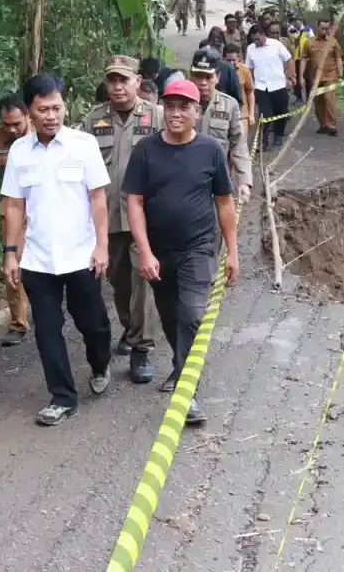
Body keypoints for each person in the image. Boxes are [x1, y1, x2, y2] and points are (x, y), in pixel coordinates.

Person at [123, 78, 239, 426]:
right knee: (171, 316)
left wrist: (232, 251)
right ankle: (180, 365)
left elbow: (224, 201)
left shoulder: (211, 150)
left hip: (199, 247)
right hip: (159, 250)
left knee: (192, 313)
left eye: (183, 107)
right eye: (170, 106)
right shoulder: (146, 150)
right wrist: (144, 251)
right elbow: (134, 202)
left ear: (196, 111)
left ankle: (187, 394)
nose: (175, 113)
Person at [1, 74, 113, 427]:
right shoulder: (19, 152)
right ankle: (62, 396)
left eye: (56, 107)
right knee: (47, 329)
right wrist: (10, 253)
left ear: (65, 106)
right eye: (43, 109)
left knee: (92, 324)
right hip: (37, 258)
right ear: (29, 112)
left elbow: (98, 198)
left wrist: (102, 246)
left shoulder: (83, 144)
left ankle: (100, 363)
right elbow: (15, 206)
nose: (51, 115)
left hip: (81, 255)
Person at [80, 56, 162, 383]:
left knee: (144, 284)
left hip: (146, 217)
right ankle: (130, 327)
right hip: (108, 218)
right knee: (119, 284)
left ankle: (142, 348)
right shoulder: (93, 120)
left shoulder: (156, 117)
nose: (117, 86)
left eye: (123, 80)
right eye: (112, 80)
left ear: (137, 82)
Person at [0, 94, 35, 346]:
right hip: (13, 208)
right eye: (6, 124)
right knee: (13, 263)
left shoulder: (44, 132)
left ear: (27, 116)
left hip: (48, 205)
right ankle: (18, 324)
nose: (11, 129)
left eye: (17, 124)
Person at [190, 49, 252, 206]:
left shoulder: (229, 105)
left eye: (208, 77)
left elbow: (239, 144)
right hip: (186, 178)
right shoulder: (180, 105)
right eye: (198, 76)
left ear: (217, 77)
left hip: (218, 179)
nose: (203, 82)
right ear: (191, 77)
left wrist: (244, 181)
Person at [246, 22, 295, 151]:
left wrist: (290, 77)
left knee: (281, 112)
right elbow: (249, 69)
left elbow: (289, 60)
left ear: (263, 35)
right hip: (261, 87)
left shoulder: (276, 45)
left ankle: (278, 136)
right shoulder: (250, 49)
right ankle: (263, 141)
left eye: (258, 38)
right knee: (264, 115)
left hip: (278, 84)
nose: (256, 42)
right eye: (254, 39)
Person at [305, 18, 344, 136]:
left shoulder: (332, 42)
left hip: (330, 75)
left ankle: (331, 125)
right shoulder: (309, 42)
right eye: (323, 28)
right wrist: (301, 76)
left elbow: (338, 58)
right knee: (318, 101)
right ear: (317, 27)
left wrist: (340, 75)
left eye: (327, 29)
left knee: (329, 99)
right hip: (315, 77)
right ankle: (323, 125)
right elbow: (303, 59)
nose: (325, 31)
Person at [224, 43, 256, 136]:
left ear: (238, 58)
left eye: (233, 60)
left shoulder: (244, 70)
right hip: (225, 114)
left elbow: (250, 92)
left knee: (241, 143)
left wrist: (251, 114)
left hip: (242, 115)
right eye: (228, 60)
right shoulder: (219, 71)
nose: (231, 63)